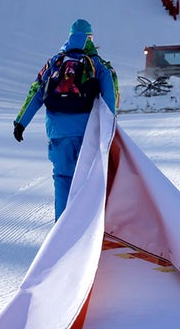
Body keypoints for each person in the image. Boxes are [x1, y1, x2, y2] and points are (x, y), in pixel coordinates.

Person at [14, 18, 116, 219]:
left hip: (58, 132)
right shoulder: (97, 64)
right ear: (89, 38)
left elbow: (35, 93)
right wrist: (110, 128)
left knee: (62, 178)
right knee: (89, 180)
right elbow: (110, 97)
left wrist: (21, 123)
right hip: (87, 133)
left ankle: (62, 229)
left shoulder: (54, 63)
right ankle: (88, 230)